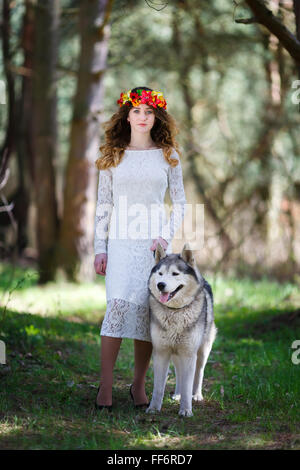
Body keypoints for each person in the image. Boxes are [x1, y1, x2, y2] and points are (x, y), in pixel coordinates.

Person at [93, 86, 187, 410]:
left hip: (153, 245)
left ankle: (138, 386)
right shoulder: (112, 156)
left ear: (156, 116)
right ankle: (104, 388)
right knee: (116, 307)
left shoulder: (169, 155)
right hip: (119, 242)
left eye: (149, 111)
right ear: (127, 115)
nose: (143, 117)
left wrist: (164, 237)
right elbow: (103, 205)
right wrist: (99, 248)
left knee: (147, 314)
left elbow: (182, 204)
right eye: (137, 111)